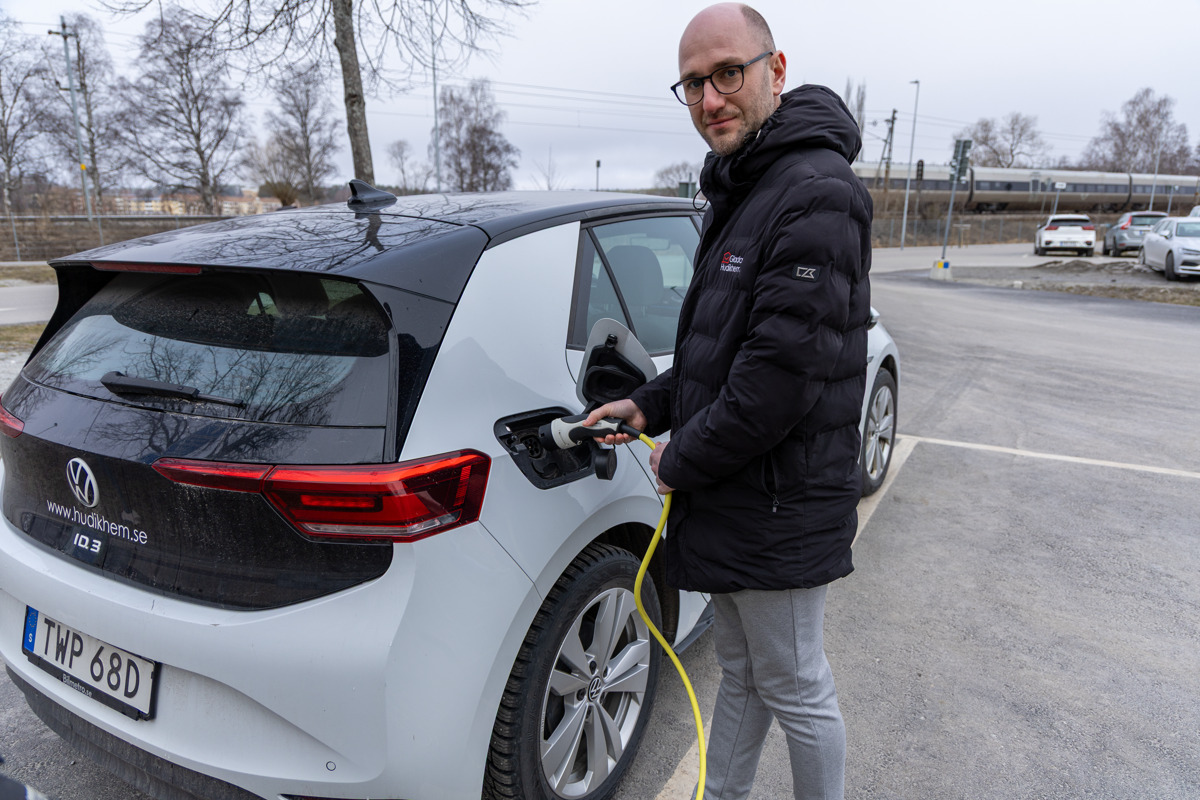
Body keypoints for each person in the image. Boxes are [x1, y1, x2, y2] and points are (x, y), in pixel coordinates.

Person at [584, 4, 872, 799]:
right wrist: (647, 406)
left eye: (728, 74)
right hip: (744, 492)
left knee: (797, 685)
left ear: (775, 71)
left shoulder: (816, 192)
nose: (710, 98)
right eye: (693, 84)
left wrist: (682, 458)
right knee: (746, 670)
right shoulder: (747, 189)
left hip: (778, 499)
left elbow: (778, 379)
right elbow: (722, 355)